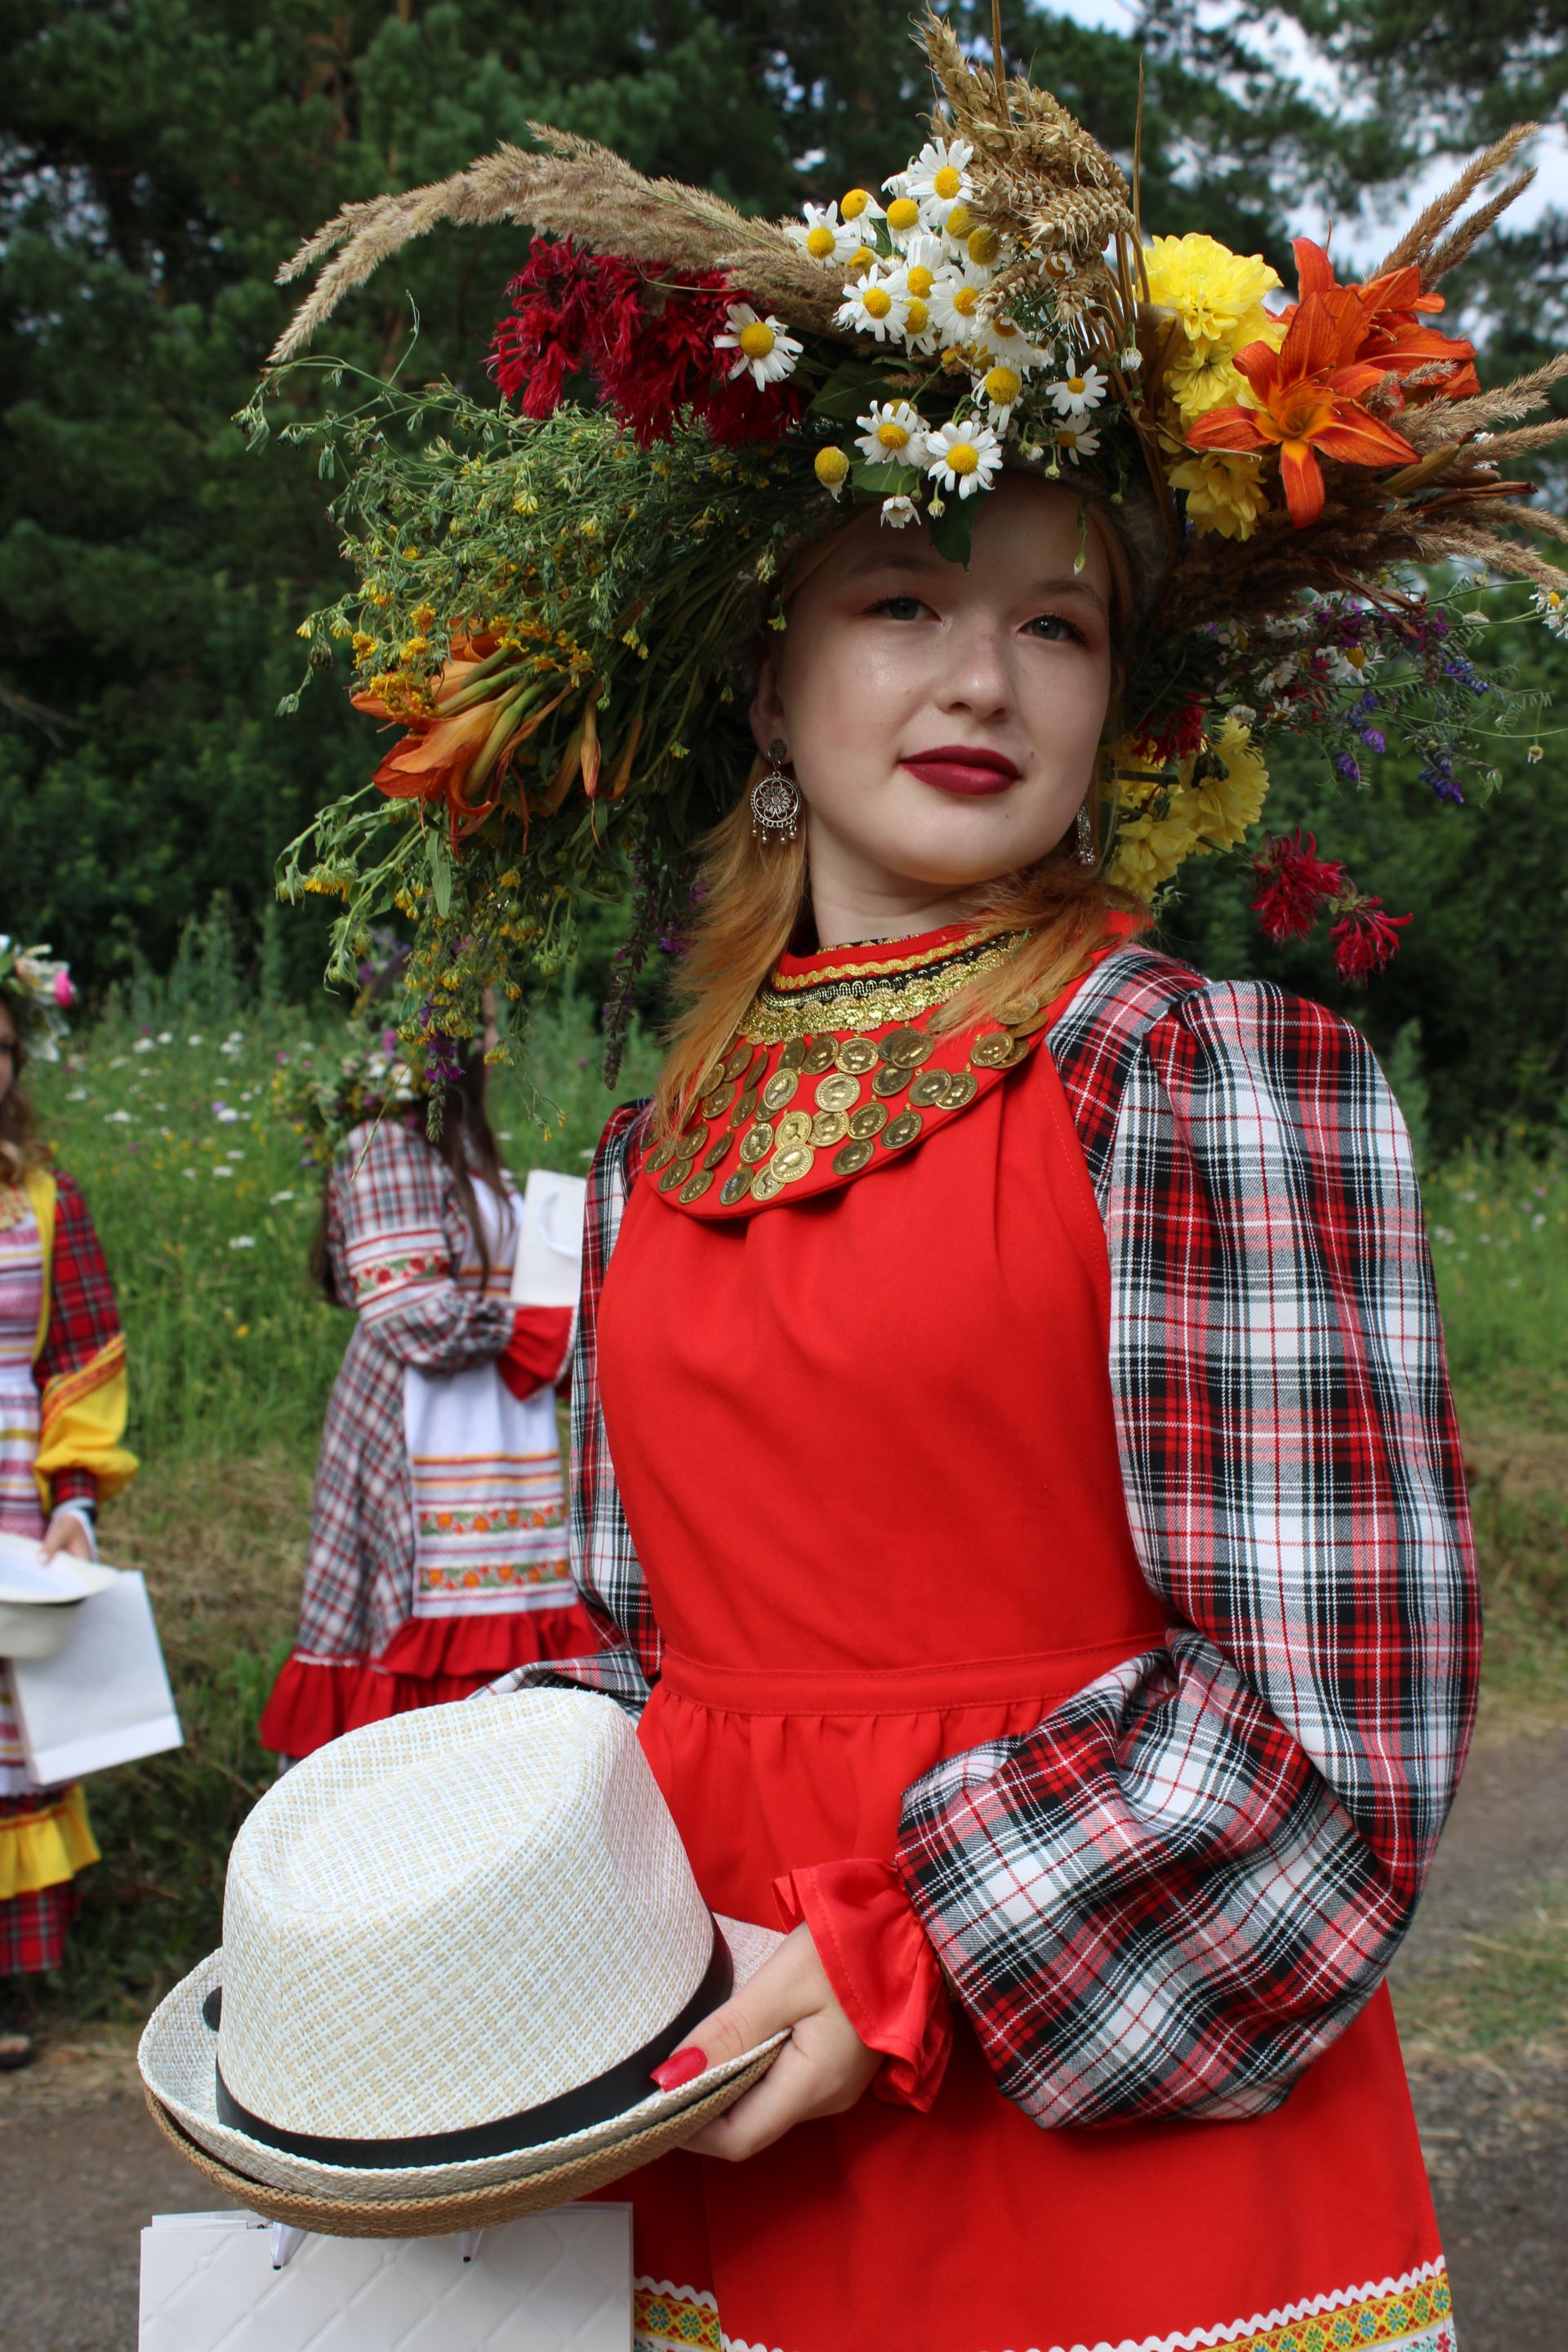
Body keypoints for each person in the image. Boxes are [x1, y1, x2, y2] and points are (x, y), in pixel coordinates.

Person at [264, 26, 1562, 2342]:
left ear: (1115, 705)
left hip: (1103, 2158)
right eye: (903, 598)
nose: (983, 675)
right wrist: (434, 1886)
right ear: (768, 680)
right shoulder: (661, 1149)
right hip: (702, 2146)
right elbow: (653, 1657)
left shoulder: (1194, 1078)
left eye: (1058, 623)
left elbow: (1321, 1731)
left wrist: (893, 1960)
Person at [258, 1026, 595, 1761]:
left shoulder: (465, 1147)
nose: (500, 1033)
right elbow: (414, 1318)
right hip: (424, 1428)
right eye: (484, 1016)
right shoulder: (387, 1146)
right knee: (426, 1646)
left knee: (512, 1640)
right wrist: (538, 1328)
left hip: (501, 1431)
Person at [0, 942, 136, 2071]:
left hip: (8, 1489)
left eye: (1, 1052)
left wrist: (76, 1498)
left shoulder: (46, 1199)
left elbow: (81, 1357)